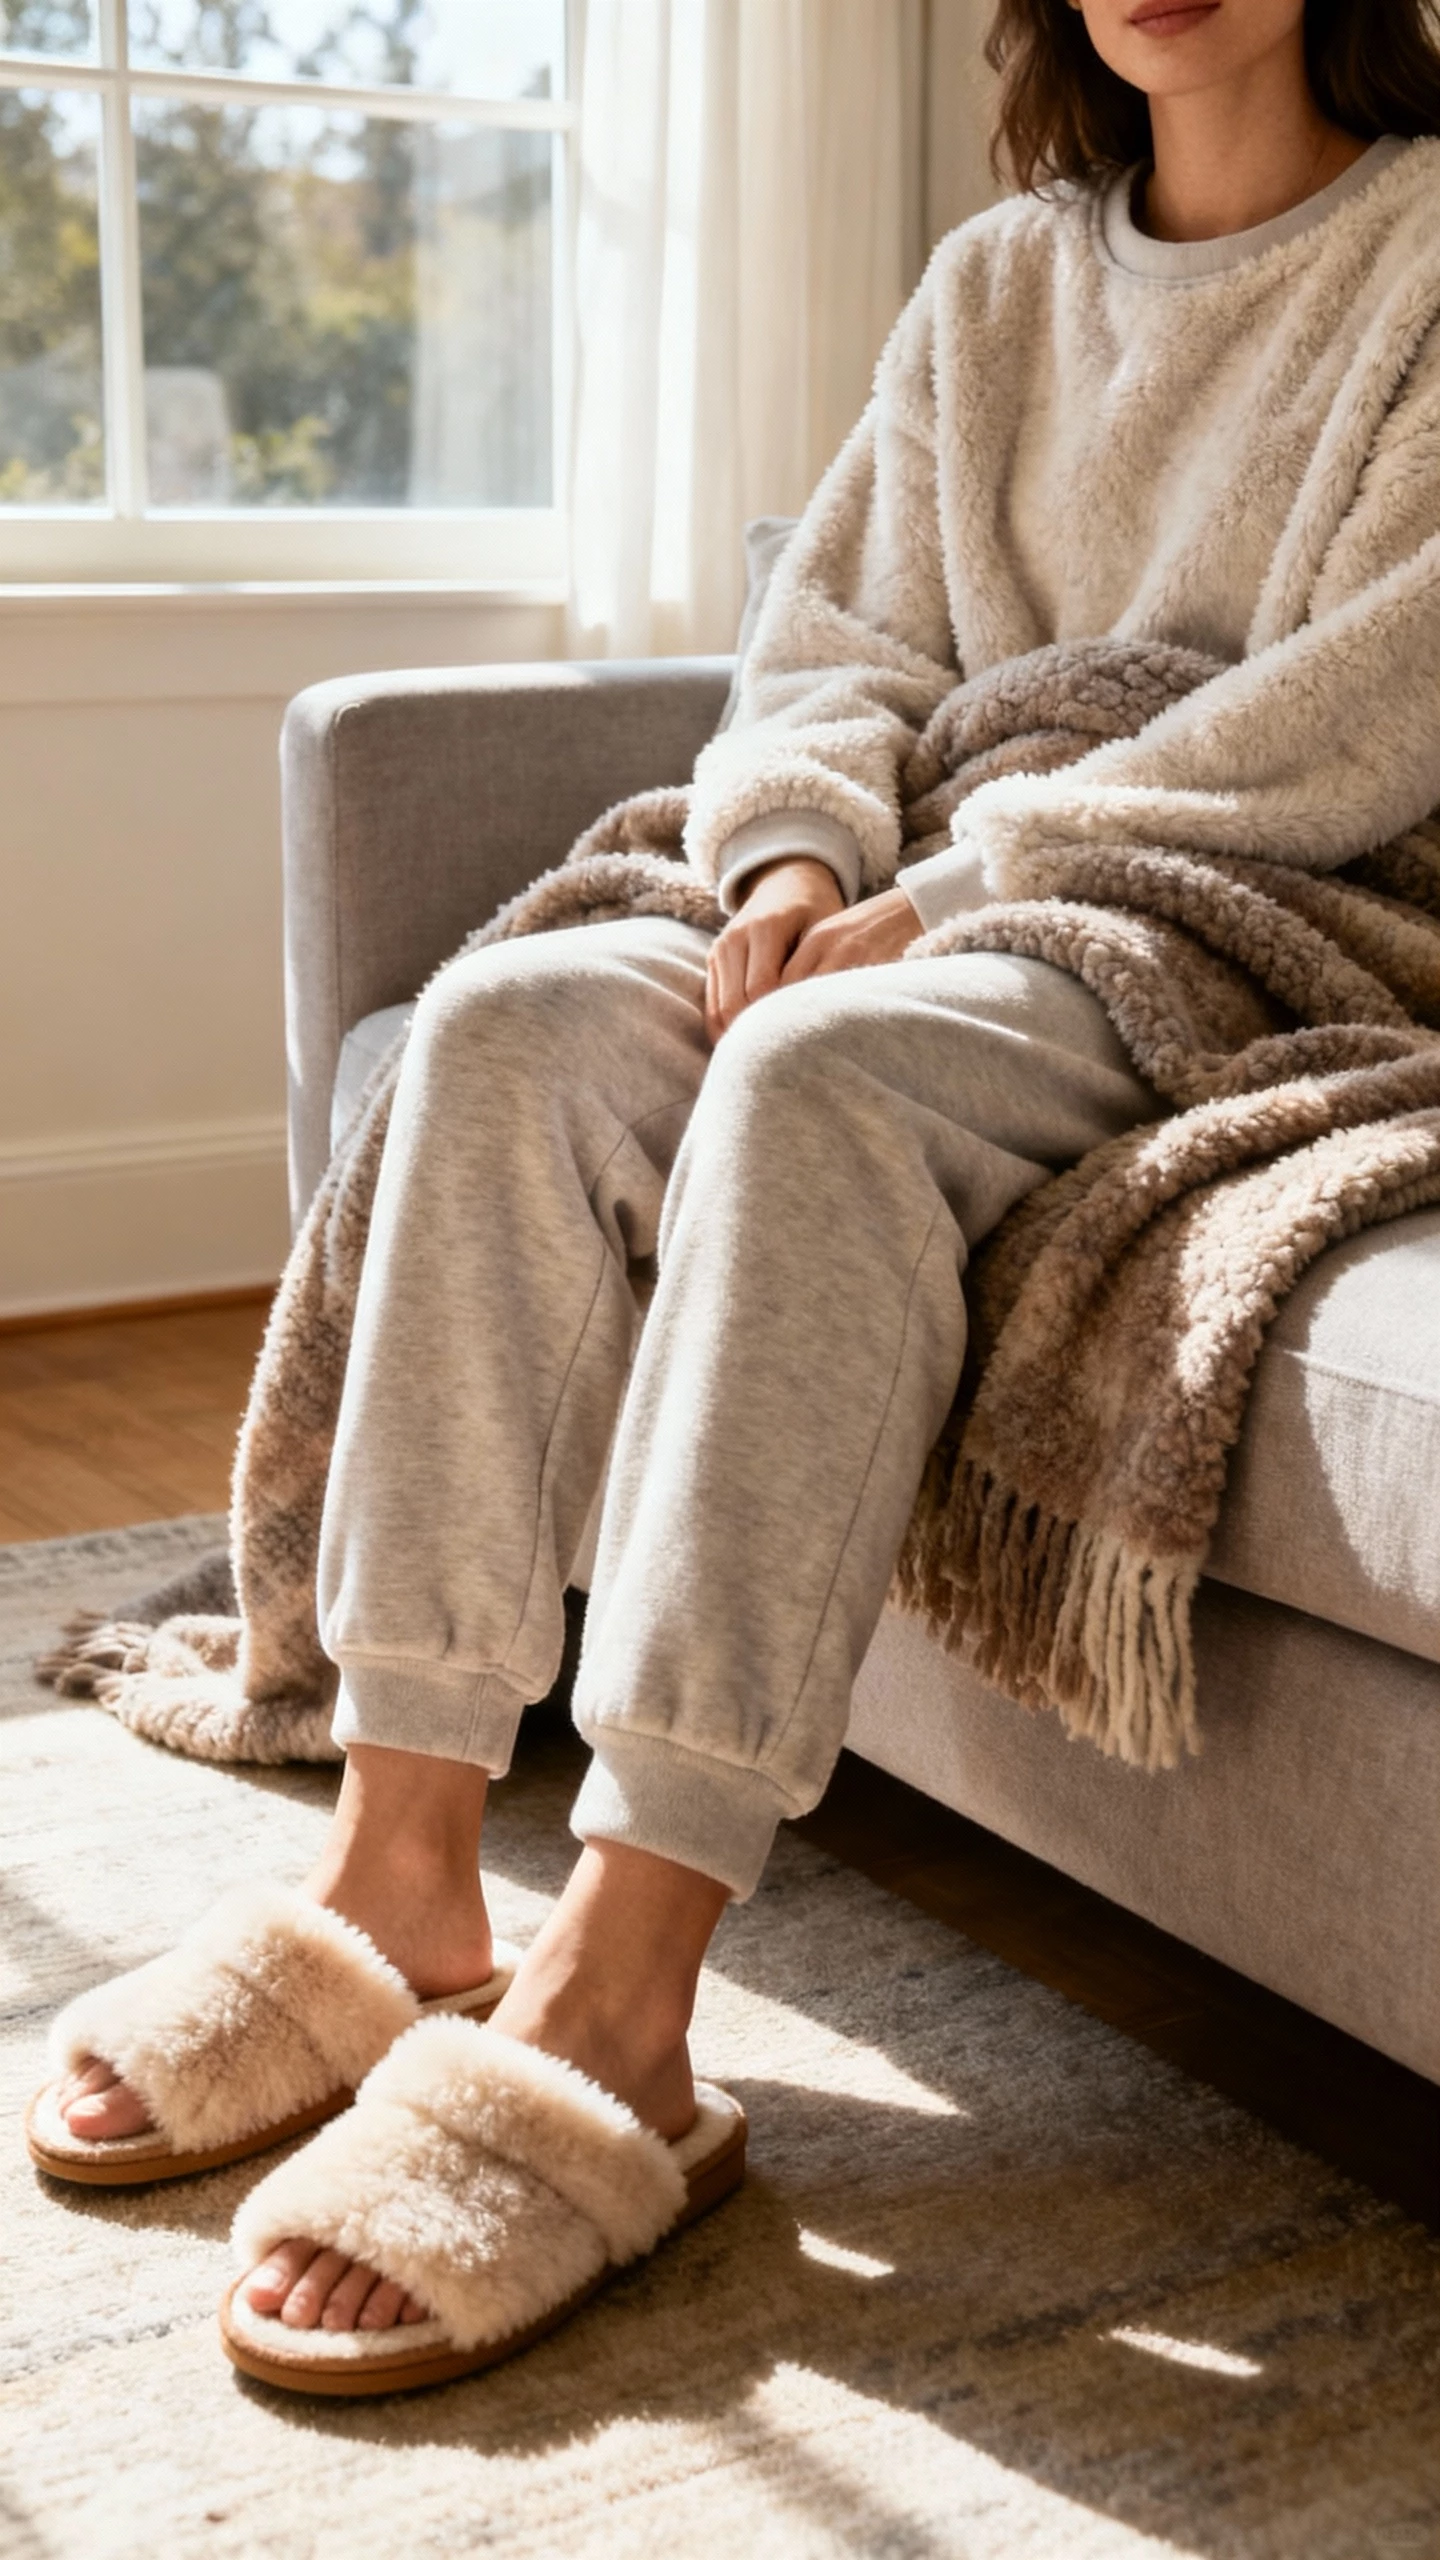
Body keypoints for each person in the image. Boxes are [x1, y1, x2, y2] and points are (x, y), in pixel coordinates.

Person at [46, 0, 1440, 2363]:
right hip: (935, 876)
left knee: (813, 1081)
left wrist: (976, 869)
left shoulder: (1420, 262)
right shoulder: (997, 284)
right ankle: (400, 1880)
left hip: (1246, 906)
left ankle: (625, 1999)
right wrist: (797, 842)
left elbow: (1370, 705)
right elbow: (832, 648)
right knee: (505, 1032)